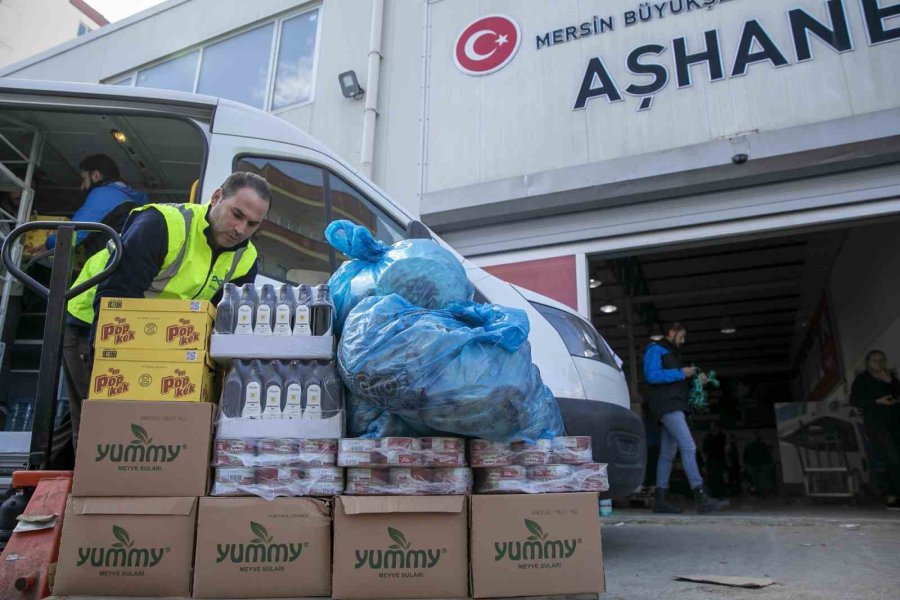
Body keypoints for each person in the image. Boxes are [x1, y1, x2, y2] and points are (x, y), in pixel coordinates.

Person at [49, 172, 270, 465]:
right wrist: (106, 359)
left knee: (87, 416)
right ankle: (92, 486)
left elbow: (219, 321)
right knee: (101, 424)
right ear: (216, 197)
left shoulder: (246, 258)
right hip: (94, 322)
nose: (240, 229)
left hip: (154, 339)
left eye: (252, 224)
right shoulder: (162, 223)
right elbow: (116, 297)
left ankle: (44, 476)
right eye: (236, 215)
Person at [644, 322, 728, 514]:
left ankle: (660, 499)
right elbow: (651, 375)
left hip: (673, 405)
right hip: (668, 406)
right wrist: (680, 372)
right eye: (681, 336)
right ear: (671, 332)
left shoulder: (673, 355)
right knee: (688, 446)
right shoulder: (655, 349)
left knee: (667, 454)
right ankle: (701, 495)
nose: (682, 341)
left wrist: (695, 379)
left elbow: (675, 383)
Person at [45, 154, 148, 253]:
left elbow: (71, 237)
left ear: (96, 176)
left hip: (109, 262)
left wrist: (49, 242)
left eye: (84, 179)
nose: (82, 187)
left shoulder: (105, 194)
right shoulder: (135, 199)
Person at [850, 350, 900, 509]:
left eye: (881, 360)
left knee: (893, 456)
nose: (879, 363)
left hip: (895, 421)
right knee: (892, 455)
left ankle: (892, 493)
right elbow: (854, 400)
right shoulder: (862, 379)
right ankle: (893, 495)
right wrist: (877, 401)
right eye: (874, 360)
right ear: (868, 363)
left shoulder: (890, 376)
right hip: (876, 424)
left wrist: (890, 381)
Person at [703, 421, 728, 498]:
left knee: (719, 477)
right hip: (711, 460)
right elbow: (705, 448)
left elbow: (724, 448)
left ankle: (720, 493)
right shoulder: (708, 437)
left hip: (720, 459)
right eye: (711, 426)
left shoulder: (722, 436)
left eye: (713, 426)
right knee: (711, 477)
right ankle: (712, 493)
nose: (712, 427)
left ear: (717, 427)